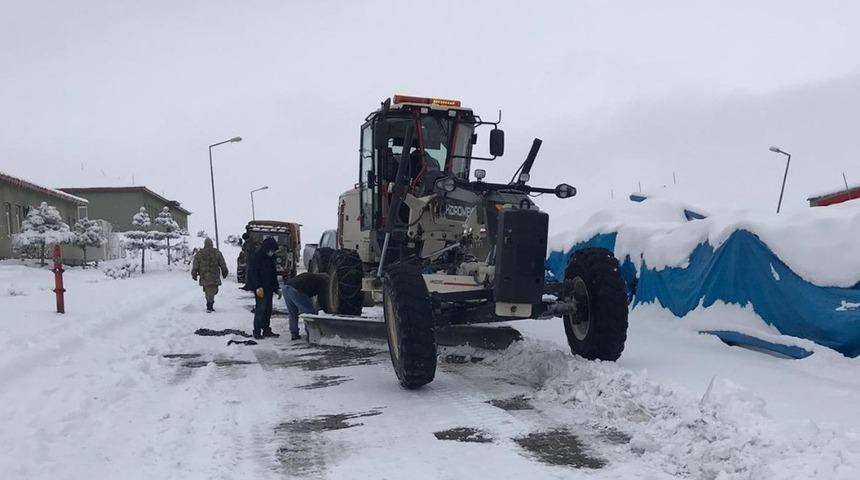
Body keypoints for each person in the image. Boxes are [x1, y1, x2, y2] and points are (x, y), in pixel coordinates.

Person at [245, 237, 282, 339]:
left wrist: (277, 288)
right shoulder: (257, 257)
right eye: (271, 250)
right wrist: (257, 287)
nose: (272, 252)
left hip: (269, 287)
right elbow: (253, 273)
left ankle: (266, 330)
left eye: (274, 250)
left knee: (268, 310)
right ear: (266, 248)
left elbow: (273, 274)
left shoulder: (272, 258)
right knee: (260, 309)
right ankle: (257, 331)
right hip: (260, 288)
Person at [282, 272, 329, 340]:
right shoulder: (321, 281)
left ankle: (294, 334)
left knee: (292, 313)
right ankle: (311, 333)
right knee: (309, 314)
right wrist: (324, 310)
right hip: (296, 290)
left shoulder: (311, 276)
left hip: (286, 288)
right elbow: (321, 298)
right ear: (326, 280)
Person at [191, 238, 228, 312]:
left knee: (209, 290)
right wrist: (225, 271)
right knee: (212, 290)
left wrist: (194, 273)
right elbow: (222, 263)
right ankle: (209, 304)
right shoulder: (217, 252)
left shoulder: (200, 253)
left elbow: (195, 265)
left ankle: (209, 301)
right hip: (214, 276)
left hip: (204, 276)